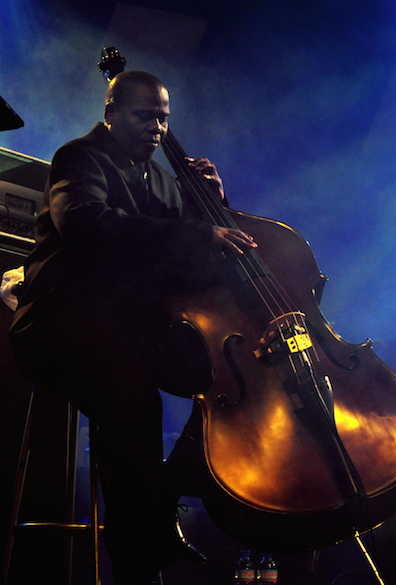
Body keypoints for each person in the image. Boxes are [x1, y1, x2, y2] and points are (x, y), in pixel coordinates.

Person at [8, 70, 256, 584]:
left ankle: (162, 496)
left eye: (164, 119)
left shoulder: (163, 181)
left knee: (226, 374)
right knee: (132, 394)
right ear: (112, 112)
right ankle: (137, 557)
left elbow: (187, 259)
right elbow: (87, 223)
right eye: (146, 116)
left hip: (127, 329)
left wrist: (211, 204)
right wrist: (196, 232)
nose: (157, 129)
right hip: (62, 323)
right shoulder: (79, 158)